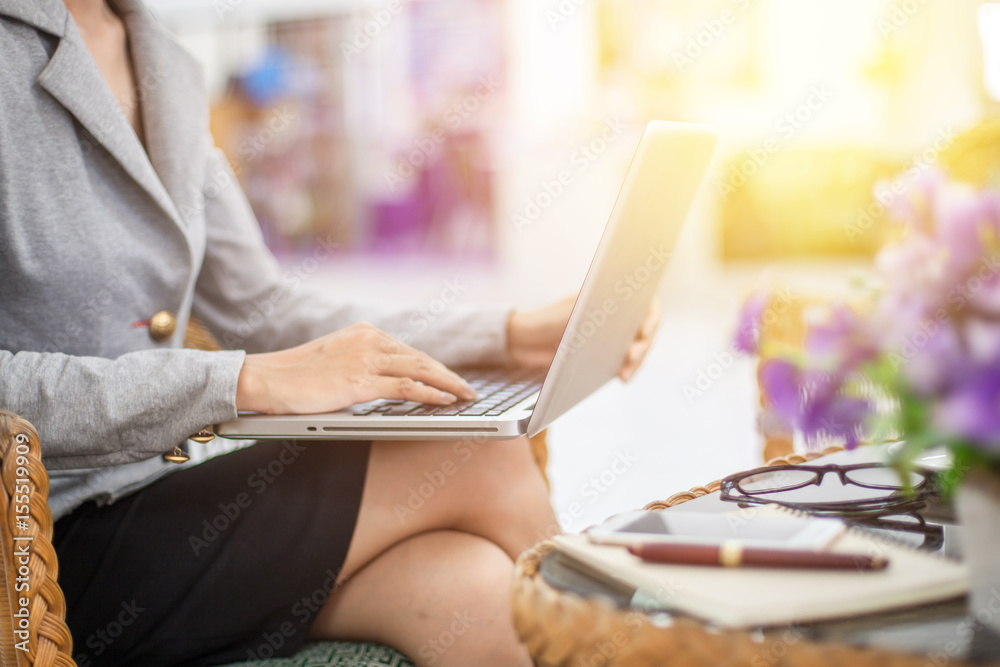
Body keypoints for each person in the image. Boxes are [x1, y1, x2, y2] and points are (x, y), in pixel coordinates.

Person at [0, 0, 659, 665]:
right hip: (34, 550)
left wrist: (509, 333)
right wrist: (246, 379)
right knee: (478, 455)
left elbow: (262, 308)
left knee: (475, 590)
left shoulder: (161, 56)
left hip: (155, 504)